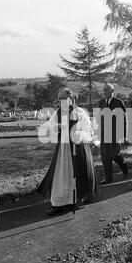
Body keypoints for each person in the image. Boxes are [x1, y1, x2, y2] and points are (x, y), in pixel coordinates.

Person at [37, 88, 98, 216]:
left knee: (75, 174)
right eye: (59, 99)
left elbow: (89, 131)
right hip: (63, 150)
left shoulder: (79, 112)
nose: (61, 101)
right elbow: (48, 128)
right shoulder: (57, 113)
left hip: (77, 149)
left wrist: (77, 134)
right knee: (60, 175)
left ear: (71, 99)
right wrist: (56, 127)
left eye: (64, 98)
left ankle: (74, 200)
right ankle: (58, 203)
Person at [98, 83, 128, 184]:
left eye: (107, 90)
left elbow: (124, 119)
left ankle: (125, 168)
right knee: (105, 157)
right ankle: (108, 179)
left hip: (115, 133)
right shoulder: (101, 102)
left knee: (114, 155)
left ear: (112, 91)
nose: (105, 92)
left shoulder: (119, 102)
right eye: (104, 90)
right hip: (103, 133)